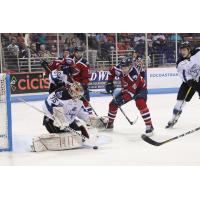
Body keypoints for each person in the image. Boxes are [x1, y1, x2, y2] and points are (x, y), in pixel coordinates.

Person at [32, 82, 104, 152]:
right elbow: (47, 103)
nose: (72, 92)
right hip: (52, 121)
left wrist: (94, 120)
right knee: (65, 138)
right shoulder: (61, 93)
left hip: (68, 122)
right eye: (72, 90)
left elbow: (82, 113)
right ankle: (39, 141)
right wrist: (58, 118)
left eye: (75, 92)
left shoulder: (80, 101)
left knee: (80, 136)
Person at [104, 57, 154, 136]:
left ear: (130, 66)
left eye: (126, 67)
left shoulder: (134, 74)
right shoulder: (118, 68)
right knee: (113, 104)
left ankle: (149, 126)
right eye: (123, 67)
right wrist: (109, 82)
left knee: (140, 102)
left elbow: (131, 93)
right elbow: (111, 71)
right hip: (127, 89)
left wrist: (122, 100)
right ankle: (110, 123)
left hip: (140, 89)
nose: (124, 69)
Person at [166, 41, 200, 128]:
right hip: (188, 83)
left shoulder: (197, 52)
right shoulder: (180, 62)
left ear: (189, 50)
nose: (182, 52)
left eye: (184, 50)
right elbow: (184, 76)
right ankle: (174, 118)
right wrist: (193, 84)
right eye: (181, 50)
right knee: (180, 102)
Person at [69, 47, 92, 114]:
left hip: (80, 85)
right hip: (71, 85)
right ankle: (71, 117)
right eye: (77, 52)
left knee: (85, 102)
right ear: (74, 52)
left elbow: (87, 76)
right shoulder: (69, 60)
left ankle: (90, 117)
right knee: (70, 102)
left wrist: (84, 84)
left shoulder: (85, 63)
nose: (79, 54)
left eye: (81, 52)